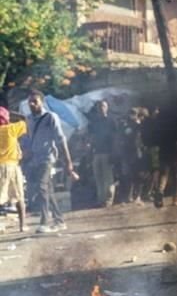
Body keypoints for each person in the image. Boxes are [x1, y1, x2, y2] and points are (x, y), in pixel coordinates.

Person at [21, 90, 77, 232]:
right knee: (46, 190)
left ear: (42, 102)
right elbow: (28, 138)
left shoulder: (50, 117)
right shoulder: (29, 119)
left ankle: (45, 222)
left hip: (48, 158)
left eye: (35, 102)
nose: (32, 104)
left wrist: (68, 161)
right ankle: (59, 220)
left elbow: (61, 139)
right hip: (35, 159)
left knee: (41, 186)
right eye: (30, 102)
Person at [0, 106, 27, 232]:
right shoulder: (12, 129)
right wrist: (10, 112)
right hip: (12, 166)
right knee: (19, 196)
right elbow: (24, 119)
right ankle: (22, 225)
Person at [87, 99, 118, 207]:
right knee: (98, 177)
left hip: (107, 152)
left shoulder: (111, 121)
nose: (101, 108)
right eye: (100, 106)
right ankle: (101, 200)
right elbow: (91, 137)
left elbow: (115, 138)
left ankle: (108, 200)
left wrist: (114, 152)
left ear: (107, 107)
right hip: (96, 153)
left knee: (108, 177)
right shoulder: (94, 123)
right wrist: (90, 148)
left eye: (103, 106)